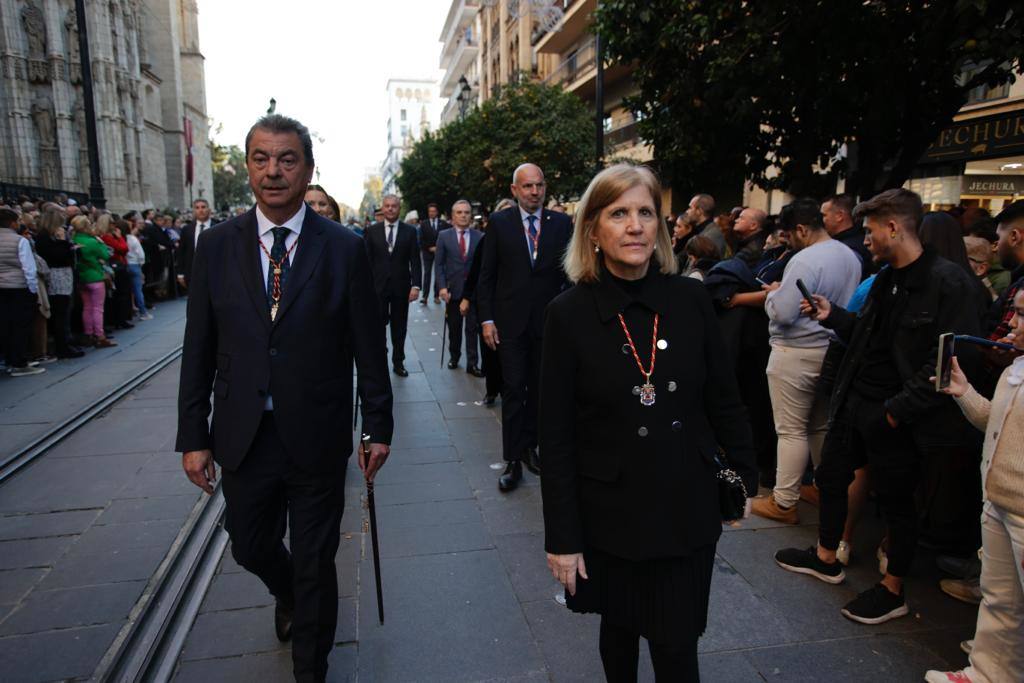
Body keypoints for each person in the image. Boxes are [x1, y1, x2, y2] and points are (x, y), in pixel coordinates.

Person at [176, 114, 393, 683]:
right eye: (261, 159)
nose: (274, 172)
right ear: (248, 166)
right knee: (249, 544)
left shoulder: (343, 249)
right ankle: (287, 587)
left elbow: (369, 347)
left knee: (319, 563)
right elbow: (198, 345)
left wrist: (378, 425)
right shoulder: (219, 246)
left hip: (316, 434)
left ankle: (310, 671)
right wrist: (193, 436)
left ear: (308, 169)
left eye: (287, 160)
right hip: (244, 434)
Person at [540, 165, 756, 682]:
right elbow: (556, 435)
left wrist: (744, 478)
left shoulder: (690, 299)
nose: (635, 225)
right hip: (608, 512)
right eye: (619, 213)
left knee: (677, 645)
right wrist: (563, 538)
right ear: (593, 230)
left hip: (685, 504)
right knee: (617, 632)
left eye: (645, 213)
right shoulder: (567, 314)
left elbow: (725, 398)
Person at [775, 188, 982, 625]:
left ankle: (893, 590)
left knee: (897, 503)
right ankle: (826, 556)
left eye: (870, 230)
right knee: (831, 475)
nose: (865, 239)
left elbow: (948, 365)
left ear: (893, 227)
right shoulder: (886, 279)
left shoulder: (948, 283)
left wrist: (895, 411)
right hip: (858, 401)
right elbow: (869, 338)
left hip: (898, 415)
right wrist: (834, 316)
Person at [924, 289, 1024, 683]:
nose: (1011, 323)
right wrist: (964, 392)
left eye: (1020, 315)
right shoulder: (1016, 368)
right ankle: (987, 673)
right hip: (998, 501)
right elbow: (995, 425)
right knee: (1000, 601)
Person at [752, 198, 861, 524]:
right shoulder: (850, 256)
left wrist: (773, 295)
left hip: (795, 351)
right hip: (830, 349)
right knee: (819, 426)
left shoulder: (804, 260)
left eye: (789, 235)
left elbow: (784, 312)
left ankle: (784, 501)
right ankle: (825, 489)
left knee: (791, 430)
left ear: (801, 229)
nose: (789, 242)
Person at [478, 163, 573, 492]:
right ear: (514, 190)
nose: (535, 192)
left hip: (548, 323)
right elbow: (487, 275)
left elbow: (571, 274)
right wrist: (486, 319)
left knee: (540, 389)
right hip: (510, 323)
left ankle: (532, 447)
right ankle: (513, 460)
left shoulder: (561, 223)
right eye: (528, 186)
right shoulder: (500, 223)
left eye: (539, 185)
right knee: (515, 388)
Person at [364, 194, 422, 377]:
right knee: (377, 326)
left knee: (399, 327)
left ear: (399, 208)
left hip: (401, 287)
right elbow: (366, 260)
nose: (390, 209)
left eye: (394, 206)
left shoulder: (410, 231)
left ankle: (398, 362)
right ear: (382, 207)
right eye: (387, 206)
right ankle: (380, 359)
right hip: (377, 288)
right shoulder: (372, 231)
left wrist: (416, 286)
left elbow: (415, 261)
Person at [435, 199, 483, 375]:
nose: (463, 215)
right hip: (452, 290)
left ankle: (472, 363)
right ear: (452, 216)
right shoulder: (444, 236)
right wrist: (441, 287)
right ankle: (454, 356)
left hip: (473, 292)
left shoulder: (480, 236)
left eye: (467, 212)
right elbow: (439, 264)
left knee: (472, 328)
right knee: (454, 328)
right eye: (459, 212)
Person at [0, 207, 45, 375]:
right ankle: (19, 362)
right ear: (12, 223)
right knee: (20, 325)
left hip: (1, 288)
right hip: (18, 287)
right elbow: (28, 268)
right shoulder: (20, 241)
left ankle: (8, 359)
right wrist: (32, 290)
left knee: (5, 325)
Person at [34, 208, 83, 358]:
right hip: (56, 279)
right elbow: (59, 256)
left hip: (63, 278)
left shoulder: (51, 237)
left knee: (65, 312)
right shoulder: (44, 238)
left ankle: (66, 341)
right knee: (60, 313)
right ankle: (62, 346)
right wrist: (65, 243)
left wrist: (68, 245)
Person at [72, 215, 117, 348]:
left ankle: (88, 333)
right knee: (98, 308)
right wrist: (101, 243)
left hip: (82, 277)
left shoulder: (74, 239)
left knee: (87, 307)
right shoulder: (92, 241)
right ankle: (100, 335)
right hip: (95, 276)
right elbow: (106, 254)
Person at [821, 193, 872, 279]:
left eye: (824, 215)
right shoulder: (858, 241)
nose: (822, 220)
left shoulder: (850, 248)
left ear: (839, 216)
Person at [96, 213, 134, 330]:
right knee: (120, 294)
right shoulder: (107, 237)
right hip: (116, 267)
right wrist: (120, 237)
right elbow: (123, 248)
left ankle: (121, 318)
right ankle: (119, 319)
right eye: (112, 223)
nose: (114, 225)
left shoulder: (109, 236)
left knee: (122, 294)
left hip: (120, 265)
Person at [177, 198, 215, 290]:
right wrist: (180, 273)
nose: (200, 210)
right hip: (193, 272)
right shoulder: (187, 229)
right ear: (194, 211)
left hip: (214, 271)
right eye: (197, 208)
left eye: (203, 207)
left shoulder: (218, 227)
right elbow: (181, 252)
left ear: (209, 210)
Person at [682, 193, 726, 259]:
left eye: (690, 208)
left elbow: (704, 264)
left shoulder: (712, 235)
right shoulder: (699, 231)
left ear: (699, 211)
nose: (687, 211)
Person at [419, 203, 446, 304]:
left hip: (440, 252)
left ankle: (436, 296)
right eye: (430, 211)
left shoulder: (443, 224)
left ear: (437, 212)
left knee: (438, 274)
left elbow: (446, 238)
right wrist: (429, 248)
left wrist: (438, 248)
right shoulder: (424, 224)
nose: (432, 213)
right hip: (427, 252)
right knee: (427, 274)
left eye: (434, 211)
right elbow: (421, 240)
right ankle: (425, 297)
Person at [125, 218, 150, 320]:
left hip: (127, 264)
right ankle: (143, 312)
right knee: (138, 290)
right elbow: (141, 254)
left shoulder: (123, 238)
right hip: (135, 264)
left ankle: (132, 310)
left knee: (130, 290)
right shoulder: (132, 239)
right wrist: (141, 264)